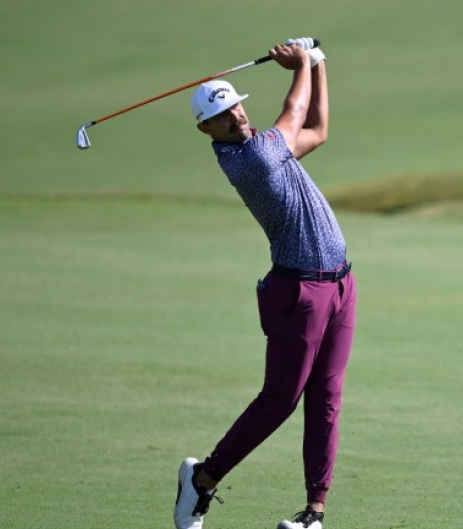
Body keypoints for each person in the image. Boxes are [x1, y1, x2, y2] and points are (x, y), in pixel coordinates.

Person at [173, 39, 357, 529]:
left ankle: (314, 514)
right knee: (281, 399)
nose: (234, 116)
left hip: (340, 286)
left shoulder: (267, 147)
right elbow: (294, 110)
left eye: (234, 105)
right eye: (222, 114)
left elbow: (316, 129)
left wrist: (320, 66)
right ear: (205, 129)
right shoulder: (251, 157)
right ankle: (202, 480)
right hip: (298, 292)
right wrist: (299, 65)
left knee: (326, 400)